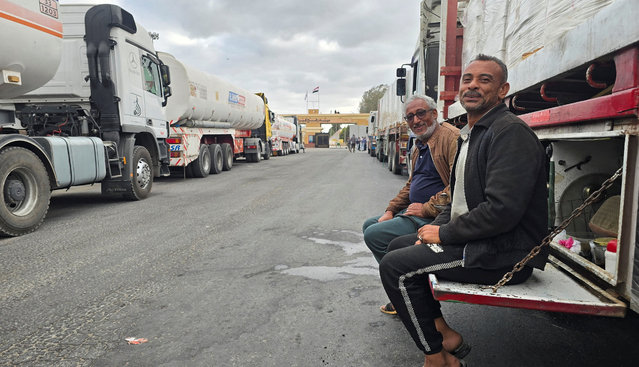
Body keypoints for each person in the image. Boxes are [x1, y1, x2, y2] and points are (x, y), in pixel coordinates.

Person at [379, 54, 548, 367]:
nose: (472, 86)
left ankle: (437, 358)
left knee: (395, 267)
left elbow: (502, 211)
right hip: (481, 239)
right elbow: (457, 198)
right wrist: (431, 231)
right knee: (397, 245)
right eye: (467, 80)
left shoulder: (509, 133)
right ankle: (443, 335)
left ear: (503, 90)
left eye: (485, 80)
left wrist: (443, 233)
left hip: (506, 252)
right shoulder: (473, 133)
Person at [362, 94, 459, 314]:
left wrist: (427, 208)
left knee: (374, 235)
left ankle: (409, 294)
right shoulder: (419, 145)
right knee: (370, 225)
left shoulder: (450, 138)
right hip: (416, 211)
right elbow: (410, 185)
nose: (415, 120)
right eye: (410, 117)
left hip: (435, 216)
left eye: (421, 113)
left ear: (435, 113)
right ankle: (403, 288)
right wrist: (390, 210)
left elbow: (458, 187)